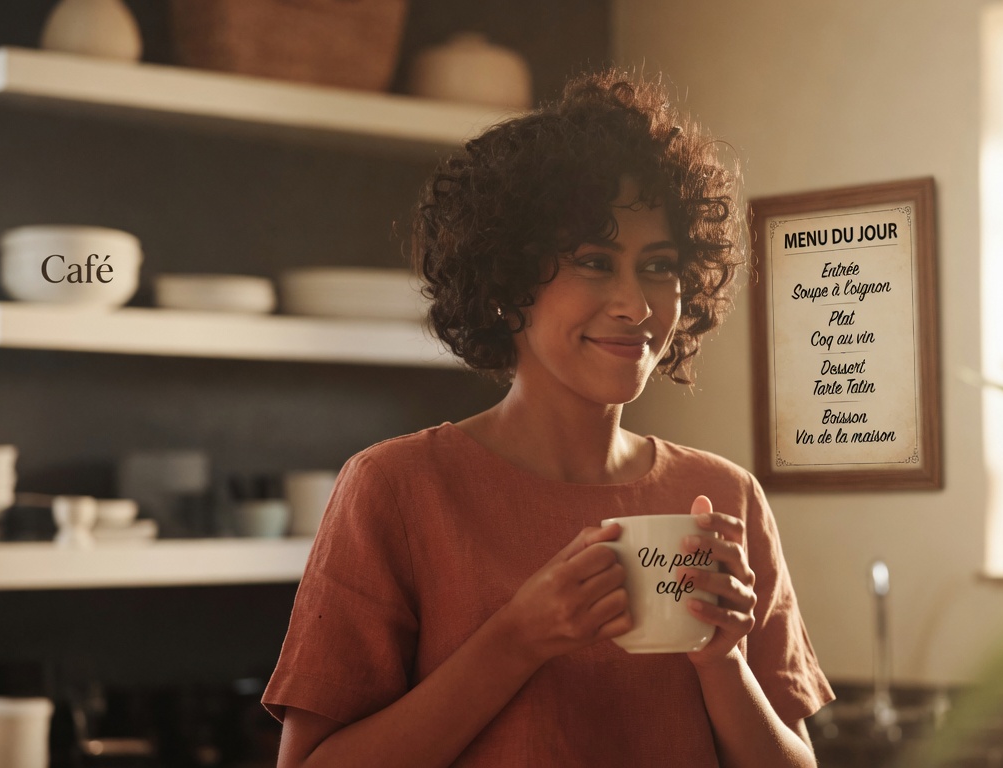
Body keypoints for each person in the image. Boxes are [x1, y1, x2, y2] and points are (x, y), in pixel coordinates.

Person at [262, 68, 835, 767]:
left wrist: (724, 664)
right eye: (596, 262)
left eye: (659, 267)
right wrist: (518, 639)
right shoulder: (397, 488)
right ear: (508, 284)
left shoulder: (724, 496)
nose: (635, 304)